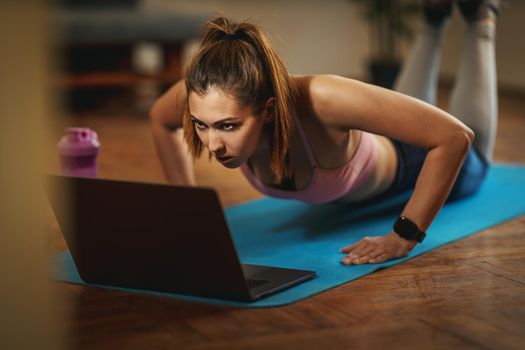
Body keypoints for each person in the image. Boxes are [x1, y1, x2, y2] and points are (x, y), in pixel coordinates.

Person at [149, 0, 501, 266]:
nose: (212, 144)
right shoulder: (207, 93)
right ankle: (433, 18)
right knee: (412, 103)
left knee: (477, 156)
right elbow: (160, 119)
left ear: (269, 110)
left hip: (415, 165)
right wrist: (189, 211)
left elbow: (455, 136)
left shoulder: (322, 99)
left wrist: (403, 237)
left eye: (229, 126)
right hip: (370, 174)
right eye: (200, 125)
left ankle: (483, 18)